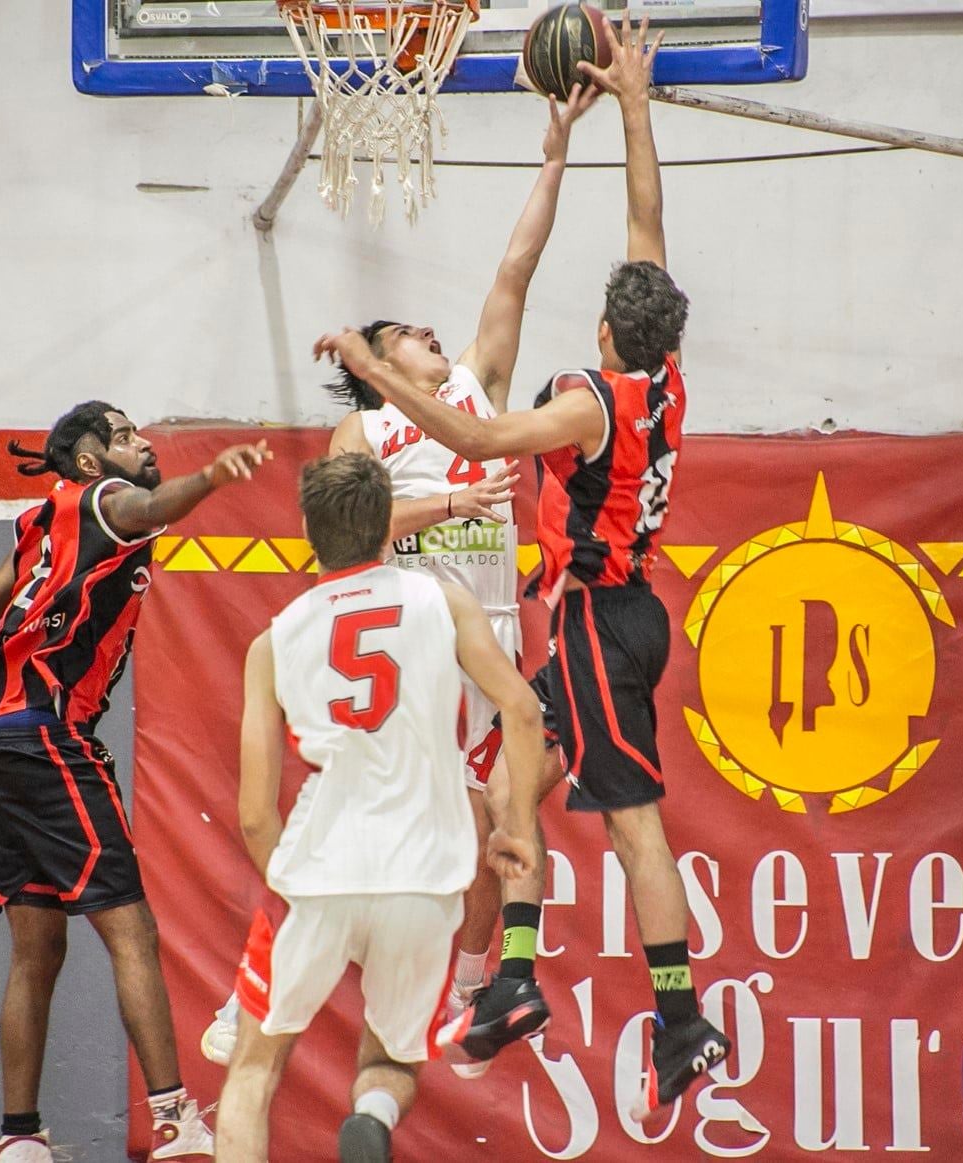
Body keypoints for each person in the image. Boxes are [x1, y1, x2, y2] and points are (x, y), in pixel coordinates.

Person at [312, 14, 732, 1124]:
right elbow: (647, 227)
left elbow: (484, 442)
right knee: (517, 793)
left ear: (602, 331)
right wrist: (628, 112)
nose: (436, 335)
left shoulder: (574, 402)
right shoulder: (662, 374)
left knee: (630, 819)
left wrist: (366, 365)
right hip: (528, 640)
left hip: (580, 619)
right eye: (404, 337)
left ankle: (680, 1017)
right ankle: (510, 979)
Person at [203, 76, 604, 1080]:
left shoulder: (476, 386)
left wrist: (553, 155)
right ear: (379, 360)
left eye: (433, 332)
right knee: (377, 825)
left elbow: (516, 265)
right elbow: (337, 532)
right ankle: (260, 975)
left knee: (510, 815)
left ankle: (477, 984)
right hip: (415, 641)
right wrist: (443, 508)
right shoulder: (363, 429)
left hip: (494, 635)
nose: (433, 336)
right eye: (410, 333)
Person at [0, 403, 269, 1162]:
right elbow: (152, 503)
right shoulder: (104, 502)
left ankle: (19, 1136)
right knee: (131, 931)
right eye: (125, 435)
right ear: (91, 462)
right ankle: (172, 1119)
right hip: (51, 740)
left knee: (37, 950)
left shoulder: (38, 528)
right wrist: (208, 477)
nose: (143, 442)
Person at [213, 454, 544, 1163]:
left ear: (308, 529)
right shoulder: (442, 602)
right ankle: (370, 1113)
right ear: (386, 524)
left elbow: (252, 813)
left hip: (320, 867)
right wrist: (515, 830)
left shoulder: (274, 638)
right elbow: (521, 707)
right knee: (394, 1054)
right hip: (424, 876)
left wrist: (291, 883)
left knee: (252, 1065)